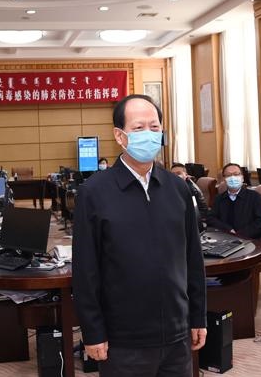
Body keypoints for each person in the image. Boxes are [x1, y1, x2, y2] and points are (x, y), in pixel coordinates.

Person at [73, 94, 207, 377]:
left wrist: (198, 316)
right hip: (123, 339)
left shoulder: (178, 188)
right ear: (119, 136)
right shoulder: (94, 192)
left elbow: (193, 259)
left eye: (154, 127)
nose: (149, 134)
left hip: (177, 334)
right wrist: (93, 331)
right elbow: (86, 270)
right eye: (138, 128)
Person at [206, 163, 261, 239]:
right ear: (224, 179)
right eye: (228, 175)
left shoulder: (255, 197)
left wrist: (239, 235)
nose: (233, 177)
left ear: (242, 178)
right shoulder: (219, 198)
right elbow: (211, 218)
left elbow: (260, 222)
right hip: (225, 238)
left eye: (236, 174)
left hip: (250, 240)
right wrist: (227, 229)